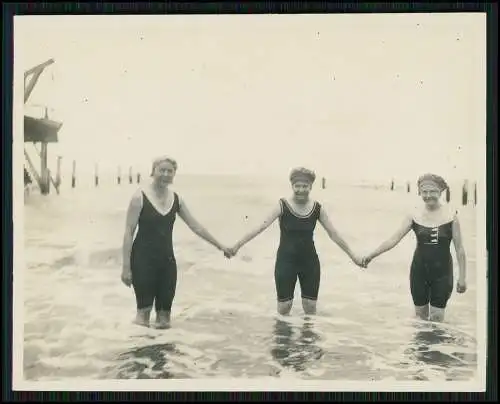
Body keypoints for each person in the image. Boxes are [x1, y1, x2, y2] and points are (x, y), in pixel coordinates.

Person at [226, 167, 364, 316]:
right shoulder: (282, 205)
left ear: (311, 187)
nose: (300, 190)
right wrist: (236, 246)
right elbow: (260, 227)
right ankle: (282, 339)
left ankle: (307, 339)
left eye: (305, 186)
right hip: (286, 262)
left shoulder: (317, 209)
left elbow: (334, 234)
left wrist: (354, 256)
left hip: (310, 263)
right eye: (297, 186)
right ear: (292, 186)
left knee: (310, 308)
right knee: (284, 308)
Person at [121, 156, 230, 329]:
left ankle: (160, 352)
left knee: (165, 317)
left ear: (174, 174)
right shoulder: (139, 197)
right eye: (161, 170)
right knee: (143, 314)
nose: (165, 174)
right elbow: (128, 233)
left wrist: (221, 246)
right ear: (153, 171)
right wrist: (126, 267)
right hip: (142, 261)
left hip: (167, 263)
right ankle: (139, 353)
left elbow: (196, 227)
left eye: (169, 171)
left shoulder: (176, 199)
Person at [362, 173, 467, 322]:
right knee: (420, 320)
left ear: (440, 191)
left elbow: (460, 249)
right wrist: (371, 255)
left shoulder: (451, 216)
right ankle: (420, 346)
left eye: (433, 191)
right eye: (424, 192)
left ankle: (439, 347)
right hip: (419, 273)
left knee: (437, 321)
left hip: (442, 274)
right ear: (419, 192)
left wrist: (462, 278)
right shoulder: (414, 215)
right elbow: (393, 239)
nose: (428, 195)